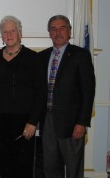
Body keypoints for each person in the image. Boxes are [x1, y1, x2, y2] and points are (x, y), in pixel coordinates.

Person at [36, 15, 95, 178]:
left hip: (72, 123)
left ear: (69, 31)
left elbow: (88, 91)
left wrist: (82, 122)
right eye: (53, 29)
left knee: (73, 168)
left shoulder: (80, 55)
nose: (58, 32)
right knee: (50, 167)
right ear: (49, 33)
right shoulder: (42, 57)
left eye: (62, 28)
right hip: (47, 120)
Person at [0, 15, 41, 178]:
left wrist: (33, 121)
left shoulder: (33, 58)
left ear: (20, 33)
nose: (9, 35)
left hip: (25, 120)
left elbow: (40, 92)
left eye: (12, 31)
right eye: (5, 32)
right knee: (4, 162)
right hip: (1, 119)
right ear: (1, 36)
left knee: (23, 164)